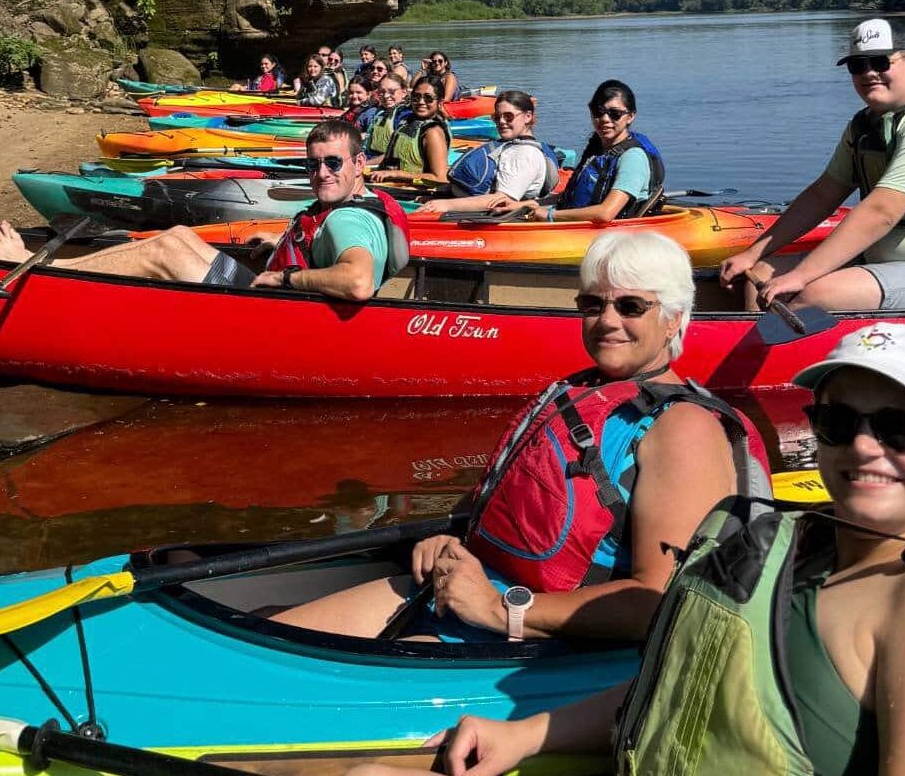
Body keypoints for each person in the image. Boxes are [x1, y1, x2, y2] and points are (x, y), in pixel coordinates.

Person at [423, 323, 905, 776]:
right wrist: (526, 733)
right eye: (839, 424)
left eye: (899, 428)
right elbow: (693, 686)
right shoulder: (806, 551)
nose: (866, 448)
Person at [274, 230, 769, 641]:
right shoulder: (583, 389)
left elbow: (656, 603)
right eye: (593, 303)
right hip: (474, 590)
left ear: (675, 319)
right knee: (274, 637)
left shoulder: (682, 428)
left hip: (540, 639)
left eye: (632, 305)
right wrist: (449, 540)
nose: (607, 320)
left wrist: (500, 610)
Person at [718, 18, 905, 314]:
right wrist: (752, 253)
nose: (869, 73)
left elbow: (883, 210)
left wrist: (802, 275)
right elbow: (822, 195)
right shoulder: (866, 125)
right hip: (878, 264)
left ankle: (786, 363)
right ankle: (753, 359)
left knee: (815, 294)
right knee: (760, 274)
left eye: (881, 62)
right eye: (858, 65)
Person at [0, 120, 408, 301]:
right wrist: (279, 246)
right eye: (313, 164)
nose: (321, 173)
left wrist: (285, 274)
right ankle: (66, 272)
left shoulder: (349, 218)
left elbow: (357, 282)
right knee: (181, 235)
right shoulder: (356, 206)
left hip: (264, 309)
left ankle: (41, 275)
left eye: (333, 163)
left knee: (164, 250)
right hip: (269, 294)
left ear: (359, 165)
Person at [525, 79, 664, 223]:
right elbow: (569, 196)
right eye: (598, 112)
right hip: (577, 231)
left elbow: (606, 213)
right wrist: (528, 205)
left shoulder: (633, 158)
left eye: (614, 113)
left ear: (630, 116)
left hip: (609, 238)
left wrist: (549, 216)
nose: (605, 119)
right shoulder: (597, 150)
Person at [414, 91, 557, 215]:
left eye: (508, 116)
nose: (501, 122)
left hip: (485, 217)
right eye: (497, 117)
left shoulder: (524, 154)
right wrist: (444, 194)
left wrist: (444, 205)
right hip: (460, 199)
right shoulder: (510, 146)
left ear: (527, 116)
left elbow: (501, 202)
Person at [374, 80, 452, 181]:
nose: (421, 102)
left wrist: (397, 174)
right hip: (389, 183)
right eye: (416, 97)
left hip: (415, 192)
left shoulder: (433, 132)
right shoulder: (407, 121)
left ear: (440, 103)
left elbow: (440, 178)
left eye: (428, 98)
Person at [361, 73, 410, 161]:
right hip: (368, 157)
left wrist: (364, 164)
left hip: (383, 164)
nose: (386, 96)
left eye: (392, 91)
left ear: (404, 92)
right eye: (382, 92)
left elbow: (397, 153)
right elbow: (372, 135)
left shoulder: (405, 116)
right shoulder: (381, 112)